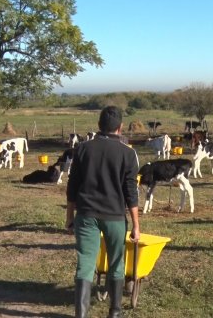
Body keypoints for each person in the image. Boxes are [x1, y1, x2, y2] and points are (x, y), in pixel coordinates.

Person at [66, 106, 140, 318]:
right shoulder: (128, 153)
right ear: (121, 127)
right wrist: (136, 226)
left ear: (99, 125)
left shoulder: (82, 148)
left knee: (85, 264)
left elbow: (72, 187)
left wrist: (69, 216)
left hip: (86, 216)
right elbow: (131, 193)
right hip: (115, 217)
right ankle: (114, 313)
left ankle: (81, 315)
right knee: (116, 263)